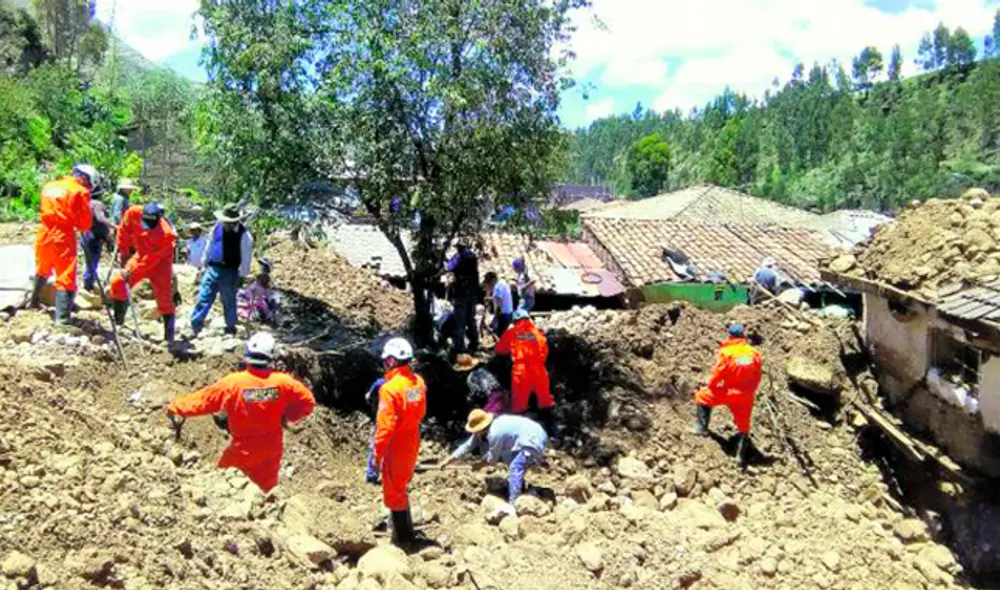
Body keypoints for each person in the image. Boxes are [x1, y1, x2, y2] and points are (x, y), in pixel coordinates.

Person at [166, 332, 316, 492]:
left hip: (244, 447)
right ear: (271, 355)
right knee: (267, 491)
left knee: (222, 484)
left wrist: (176, 407)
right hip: (272, 446)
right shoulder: (284, 383)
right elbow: (308, 401)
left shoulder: (234, 383)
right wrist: (288, 415)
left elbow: (204, 401)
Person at [371, 337, 427, 545]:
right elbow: (421, 411)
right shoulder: (418, 382)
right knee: (401, 485)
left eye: (387, 360)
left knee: (394, 490)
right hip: (412, 438)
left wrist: (377, 456)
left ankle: (404, 540)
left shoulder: (389, 389)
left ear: (392, 361)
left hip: (397, 444)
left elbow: (384, 428)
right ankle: (405, 531)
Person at [30, 164, 96, 324]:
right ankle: (62, 319)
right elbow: (84, 224)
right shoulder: (79, 191)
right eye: (89, 184)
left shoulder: (49, 186)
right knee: (66, 274)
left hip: (44, 232)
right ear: (84, 178)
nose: (88, 188)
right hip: (62, 235)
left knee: (43, 267)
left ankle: (34, 302)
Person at [442, 410, 548, 507]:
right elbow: (467, 446)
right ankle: (520, 487)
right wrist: (449, 459)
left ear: (482, 428)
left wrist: (478, 464)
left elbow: (492, 459)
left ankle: (513, 503)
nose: (474, 433)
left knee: (515, 467)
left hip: (533, 438)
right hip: (529, 436)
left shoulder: (495, 433)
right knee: (508, 458)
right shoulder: (484, 430)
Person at [693, 323, 763, 465]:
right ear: (743, 335)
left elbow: (718, 374)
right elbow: (758, 376)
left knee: (702, 396)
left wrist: (709, 385)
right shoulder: (754, 353)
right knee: (744, 424)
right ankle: (740, 456)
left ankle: (701, 429)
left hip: (729, 392)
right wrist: (750, 391)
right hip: (746, 395)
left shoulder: (727, 352)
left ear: (730, 335)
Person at [110, 202, 178, 345]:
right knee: (118, 281)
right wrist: (123, 253)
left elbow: (150, 261)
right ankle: (119, 321)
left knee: (164, 296)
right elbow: (124, 229)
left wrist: (131, 271)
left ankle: (169, 337)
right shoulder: (133, 213)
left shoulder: (166, 234)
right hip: (140, 255)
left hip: (160, 262)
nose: (147, 224)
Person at [189, 203, 254, 337]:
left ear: (237, 220)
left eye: (231, 222)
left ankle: (230, 327)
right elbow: (210, 244)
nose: (227, 224)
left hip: (230, 272)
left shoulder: (245, 236)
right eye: (226, 221)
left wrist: (241, 276)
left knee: (229, 300)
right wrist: (204, 263)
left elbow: (246, 258)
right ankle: (195, 324)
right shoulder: (217, 227)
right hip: (212, 268)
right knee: (204, 296)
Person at [495, 309, 553, 428]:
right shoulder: (537, 333)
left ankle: (521, 429)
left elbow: (499, 349)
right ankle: (550, 429)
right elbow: (544, 351)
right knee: (545, 402)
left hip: (521, 372)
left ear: (515, 320)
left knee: (519, 406)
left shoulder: (513, 332)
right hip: (540, 371)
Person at [445, 240, 479, 356]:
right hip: (472, 294)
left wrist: (445, 258)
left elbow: (450, 267)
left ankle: (459, 347)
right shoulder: (473, 256)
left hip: (461, 294)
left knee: (460, 320)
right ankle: (474, 343)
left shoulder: (459, 256)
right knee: (471, 319)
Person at [81, 185, 113, 293]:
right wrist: (114, 226)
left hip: (86, 234)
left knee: (89, 261)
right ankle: (88, 284)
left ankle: (88, 283)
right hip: (94, 237)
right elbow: (101, 218)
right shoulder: (98, 204)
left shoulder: (86, 203)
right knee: (93, 262)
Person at [483, 271, 514, 337]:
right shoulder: (502, 282)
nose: (488, 285)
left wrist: (495, 319)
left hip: (503, 315)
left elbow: (499, 306)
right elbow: (502, 299)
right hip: (509, 313)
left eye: (488, 282)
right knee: (505, 336)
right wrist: (491, 299)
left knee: (500, 336)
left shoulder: (497, 288)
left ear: (492, 281)